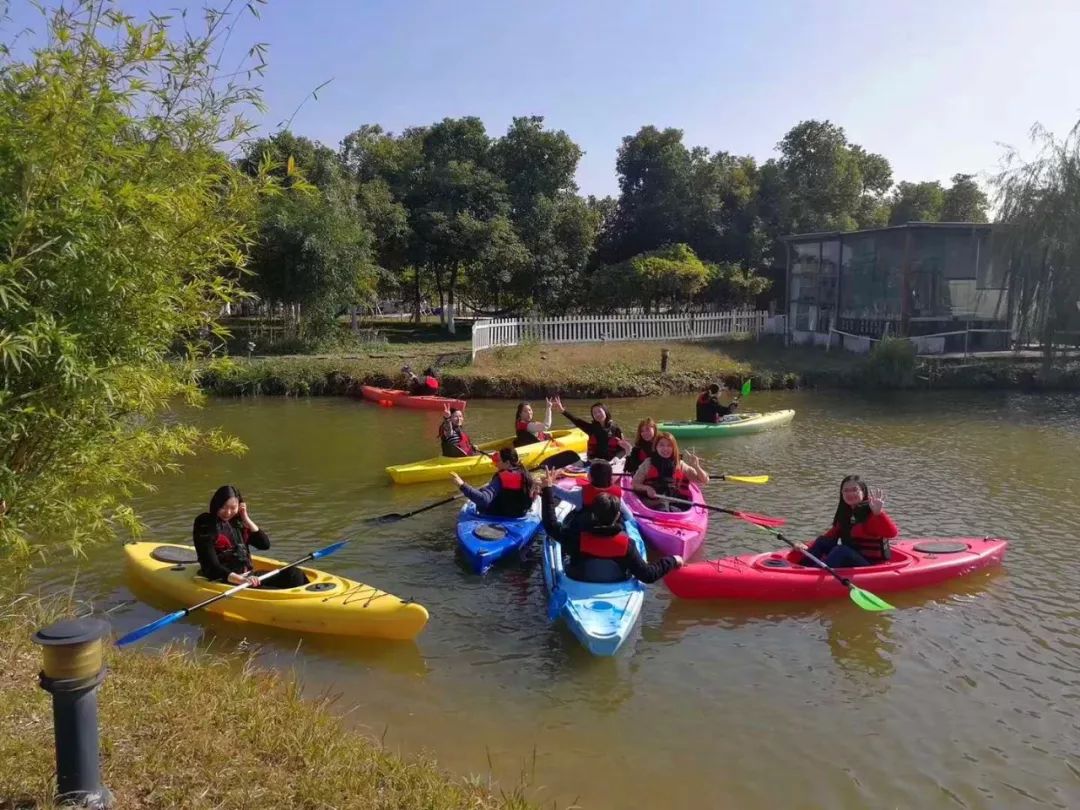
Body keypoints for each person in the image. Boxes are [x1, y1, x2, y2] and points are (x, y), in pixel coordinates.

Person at [540, 462, 683, 584]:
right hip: (615, 581)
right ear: (617, 516)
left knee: (567, 550)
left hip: (579, 579)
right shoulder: (627, 546)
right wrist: (673, 560)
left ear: (593, 515)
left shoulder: (576, 538)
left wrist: (547, 490)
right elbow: (649, 575)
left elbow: (550, 525)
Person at [192, 485, 306, 589]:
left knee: (295, 575)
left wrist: (246, 518)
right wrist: (241, 580)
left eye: (233, 508)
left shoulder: (238, 522)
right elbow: (212, 566)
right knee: (274, 590)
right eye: (224, 507)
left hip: (249, 577)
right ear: (216, 505)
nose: (228, 512)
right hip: (224, 580)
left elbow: (264, 545)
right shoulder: (205, 523)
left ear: (240, 506)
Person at [796, 475, 898, 568]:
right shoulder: (846, 514)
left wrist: (878, 513)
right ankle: (803, 569)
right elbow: (829, 537)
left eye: (855, 490)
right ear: (842, 493)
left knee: (841, 550)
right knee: (822, 541)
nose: (850, 494)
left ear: (863, 491)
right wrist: (806, 546)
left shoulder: (872, 511)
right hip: (852, 557)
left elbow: (892, 533)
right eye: (846, 491)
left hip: (870, 565)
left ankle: (817, 576)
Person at [630, 431, 709, 511]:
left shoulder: (680, 464)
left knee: (673, 509)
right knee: (663, 507)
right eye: (661, 445)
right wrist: (647, 488)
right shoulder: (648, 463)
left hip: (675, 501)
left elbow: (704, 480)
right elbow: (634, 484)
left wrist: (696, 466)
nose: (665, 448)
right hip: (653, 503)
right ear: (656, 447)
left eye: (669, 445)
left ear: (674, 448)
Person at [450, 447, 537, 518]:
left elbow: (483, 500)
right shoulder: (525, 473)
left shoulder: (501, 478)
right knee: (485, 489)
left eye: (498, 461)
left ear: (507, 463)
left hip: (503, 514)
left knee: (481, 501)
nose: (495, 464)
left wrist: (461, 484)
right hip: (521, 513)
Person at [555, 399, 630, 462]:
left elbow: (623, 449)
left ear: (605, 412)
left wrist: (616, 459)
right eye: (594, 413)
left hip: (610, 462)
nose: (597, 414)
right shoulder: (591, 428)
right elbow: (577, 421)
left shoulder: (615, 429)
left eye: (599, 411)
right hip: (593, 461)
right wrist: (563, 411)